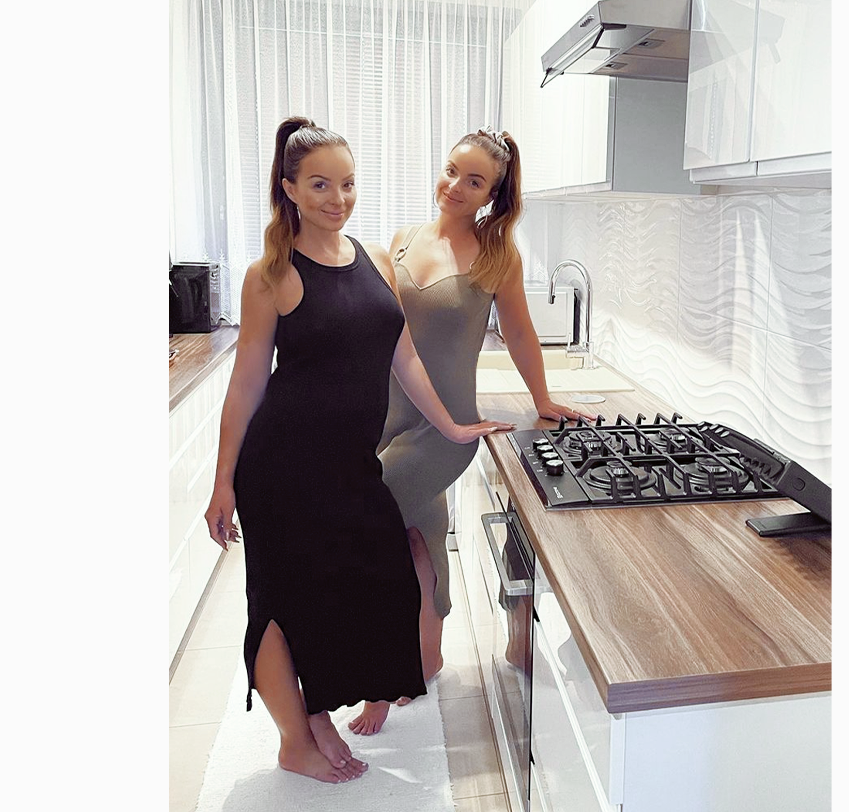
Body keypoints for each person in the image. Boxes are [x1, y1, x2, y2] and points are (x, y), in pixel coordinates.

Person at [203, 117, 515, 785]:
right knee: (282, 602)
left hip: (351, 463)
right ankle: (297, 737)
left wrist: (453, 427)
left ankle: (325, 708)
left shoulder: (374, 257)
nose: (336, 198)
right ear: (289, 188)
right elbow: (246, 383)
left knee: (373, 574)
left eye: (346, 184)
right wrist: (223, 481)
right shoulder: (271, 274)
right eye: (319, 184)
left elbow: (405, 357)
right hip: (283, 467)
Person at [348, 126, 596, 735]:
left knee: (368, 533)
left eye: (475, 181)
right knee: (420, 536)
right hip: (387, 419)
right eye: (452, 170)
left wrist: (543, 399)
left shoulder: (497, 256)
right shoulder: (403, 239)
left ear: (493, 195)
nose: (456, 186)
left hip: (446, 431)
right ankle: (426, 659)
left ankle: (380, 670)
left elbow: (520, 333)